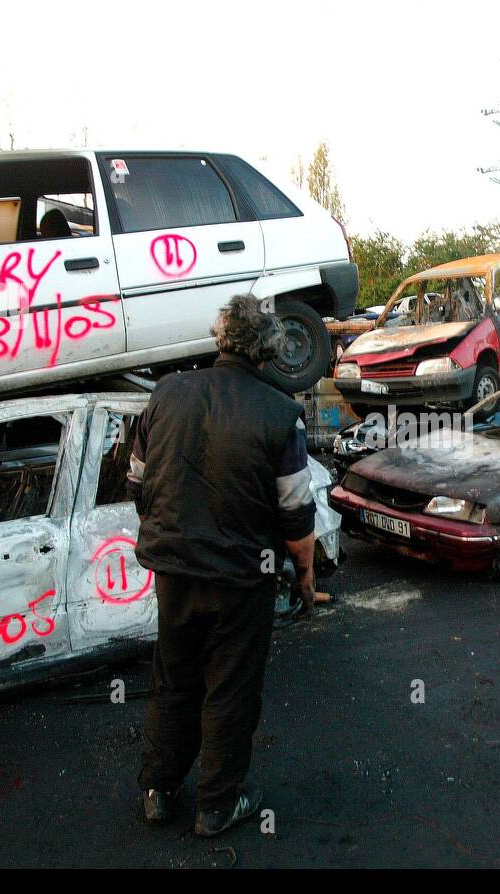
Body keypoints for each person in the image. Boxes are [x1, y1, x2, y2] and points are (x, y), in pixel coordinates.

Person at [127, 294, 317, 837]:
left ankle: (158, 791)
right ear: (268, 351)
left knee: (174, 678)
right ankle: (216, 805)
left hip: (175, 572)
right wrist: (303, 580)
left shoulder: (166, 393)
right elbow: (296, 517)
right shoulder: (282, 413)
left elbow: (137, 484)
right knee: (230, 688)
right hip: (242, 580)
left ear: (220, 339)